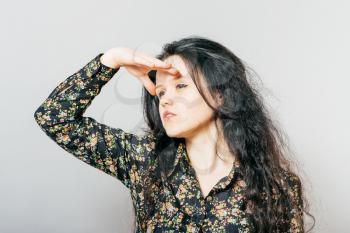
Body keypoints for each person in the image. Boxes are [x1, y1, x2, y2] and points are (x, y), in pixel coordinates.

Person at [34, 36, 315, 233]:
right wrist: (112, 59)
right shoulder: (144, 161)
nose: (165, 99)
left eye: (180, 86)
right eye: (162, 91)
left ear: (220, 95)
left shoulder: (277, 185)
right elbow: (54, 118)